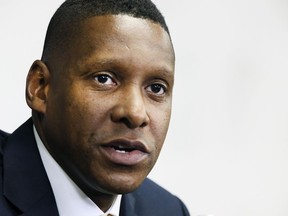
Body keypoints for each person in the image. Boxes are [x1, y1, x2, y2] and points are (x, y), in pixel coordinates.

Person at [0, 0, 190, 215]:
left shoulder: (168, 210)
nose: (135, 114)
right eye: (104, 79)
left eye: (156, 88)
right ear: (41, 87)